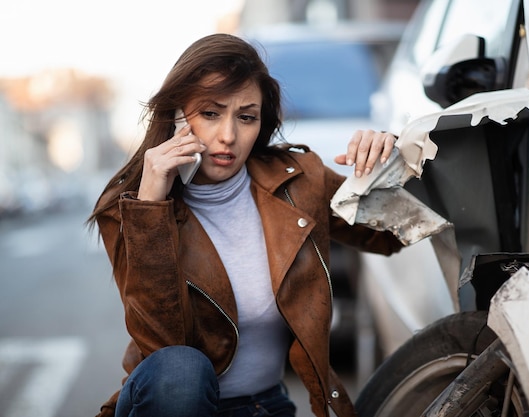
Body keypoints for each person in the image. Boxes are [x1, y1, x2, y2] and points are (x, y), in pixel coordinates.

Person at [88, 33, 404, 417]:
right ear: (176, 116)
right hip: (173, 405)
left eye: (246, 117)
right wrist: (152, 206)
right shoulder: (129, 210)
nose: (228, 136)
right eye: (210, 113)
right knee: (181, 369)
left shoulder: (298, 182)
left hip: (266, 406)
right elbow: (162, 346)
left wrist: (389, 162)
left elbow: (393, 233)